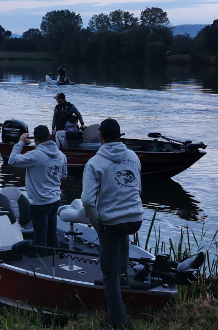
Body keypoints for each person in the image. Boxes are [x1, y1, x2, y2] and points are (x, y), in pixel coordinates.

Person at [80, 118, 143, 330]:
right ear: (120, 135)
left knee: (108, 277)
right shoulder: (133, 157)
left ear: (101, 137)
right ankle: (123, 277)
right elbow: (137, 189)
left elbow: (88, 201)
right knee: (122, 231)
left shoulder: (95, 163)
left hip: (112, 223)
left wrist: (96, 223)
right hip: (135, 218)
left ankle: (118, 325)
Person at [6, 125, 67, 248]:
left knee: (40, 239)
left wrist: (20, 143)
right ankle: (55, 261)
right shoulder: (61, 155)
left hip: (40, 203)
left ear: (35, 139)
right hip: (55, 200)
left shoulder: (35, 155)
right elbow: (63, 175)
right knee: (52, 235)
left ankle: (43, 264)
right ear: (49, 137)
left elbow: (12, 160)